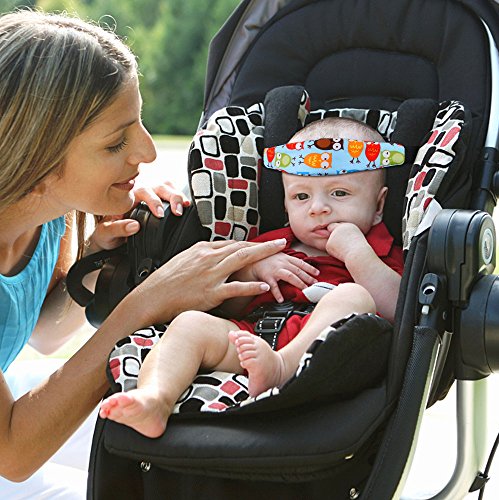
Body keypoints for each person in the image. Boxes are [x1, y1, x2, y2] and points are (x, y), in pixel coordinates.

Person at [0, 10, 290, 498]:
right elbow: (14, 453)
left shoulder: (50, 215)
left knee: (181, 445)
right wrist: (150, 301)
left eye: (138, 124)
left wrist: (101, 260)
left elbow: (45, 335)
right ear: (38, 161)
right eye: (116, 143)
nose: (148, 152)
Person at [99, 116, 404, 439]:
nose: (318, 208)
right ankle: (154, 397)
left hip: (326, 355)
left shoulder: (378, 249)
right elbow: (226, 308)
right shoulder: (271, 246)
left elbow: (399, 311)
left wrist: (358, 255)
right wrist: (254, 270)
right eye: (301, 197)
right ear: (286, 205)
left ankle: (281, 368)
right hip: (250, 339)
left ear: (378, 206)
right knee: (190, 323)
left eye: (339, 193)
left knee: (354, 298)